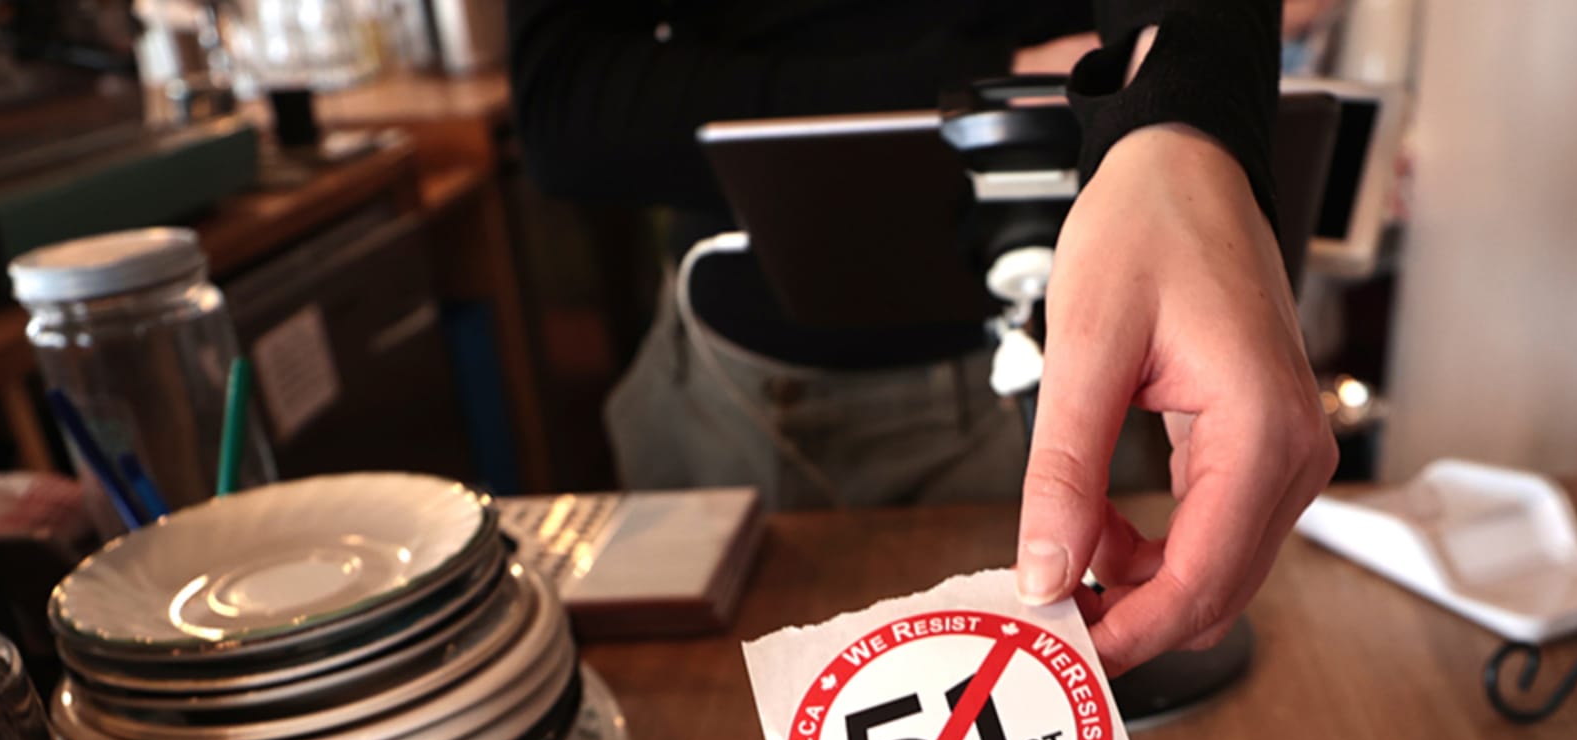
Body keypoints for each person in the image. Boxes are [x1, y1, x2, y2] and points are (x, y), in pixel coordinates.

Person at [511, 1, 1337, 674]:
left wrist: (1181, 98)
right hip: (743, 403)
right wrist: (995, 78)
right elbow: (565, 105)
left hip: (1095, 356)